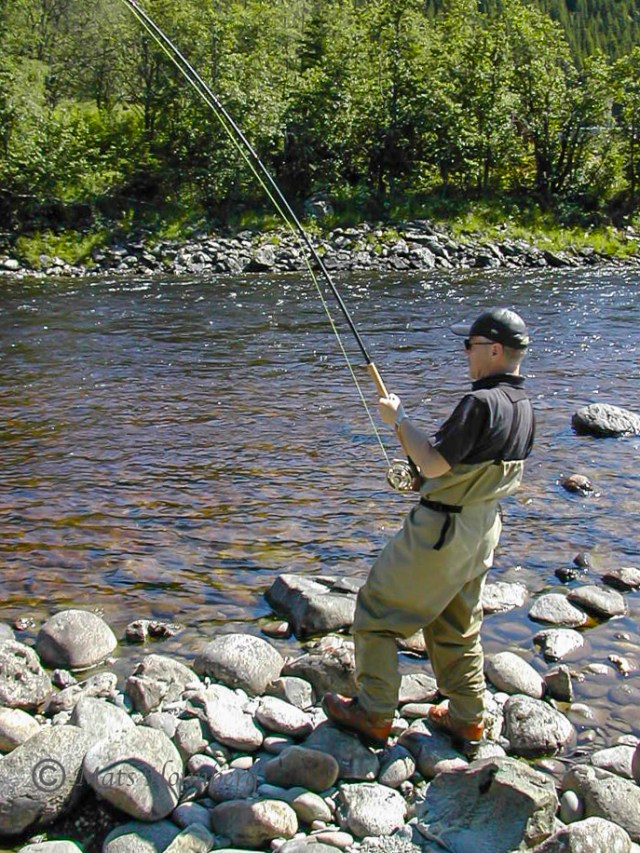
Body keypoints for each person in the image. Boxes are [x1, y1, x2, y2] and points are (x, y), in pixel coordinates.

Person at [323, 307, 535, 752]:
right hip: (482, 531)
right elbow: (475, 469)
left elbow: (435, 461)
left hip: (441, 531)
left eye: (471, 345)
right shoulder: (525, 406)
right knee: (456, 626)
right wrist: (425, 476)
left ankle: (375, 713)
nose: (466, 353)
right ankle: (468, 718)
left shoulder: (480, 402)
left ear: (494, 350)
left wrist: (398, 420)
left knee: (377, 613)